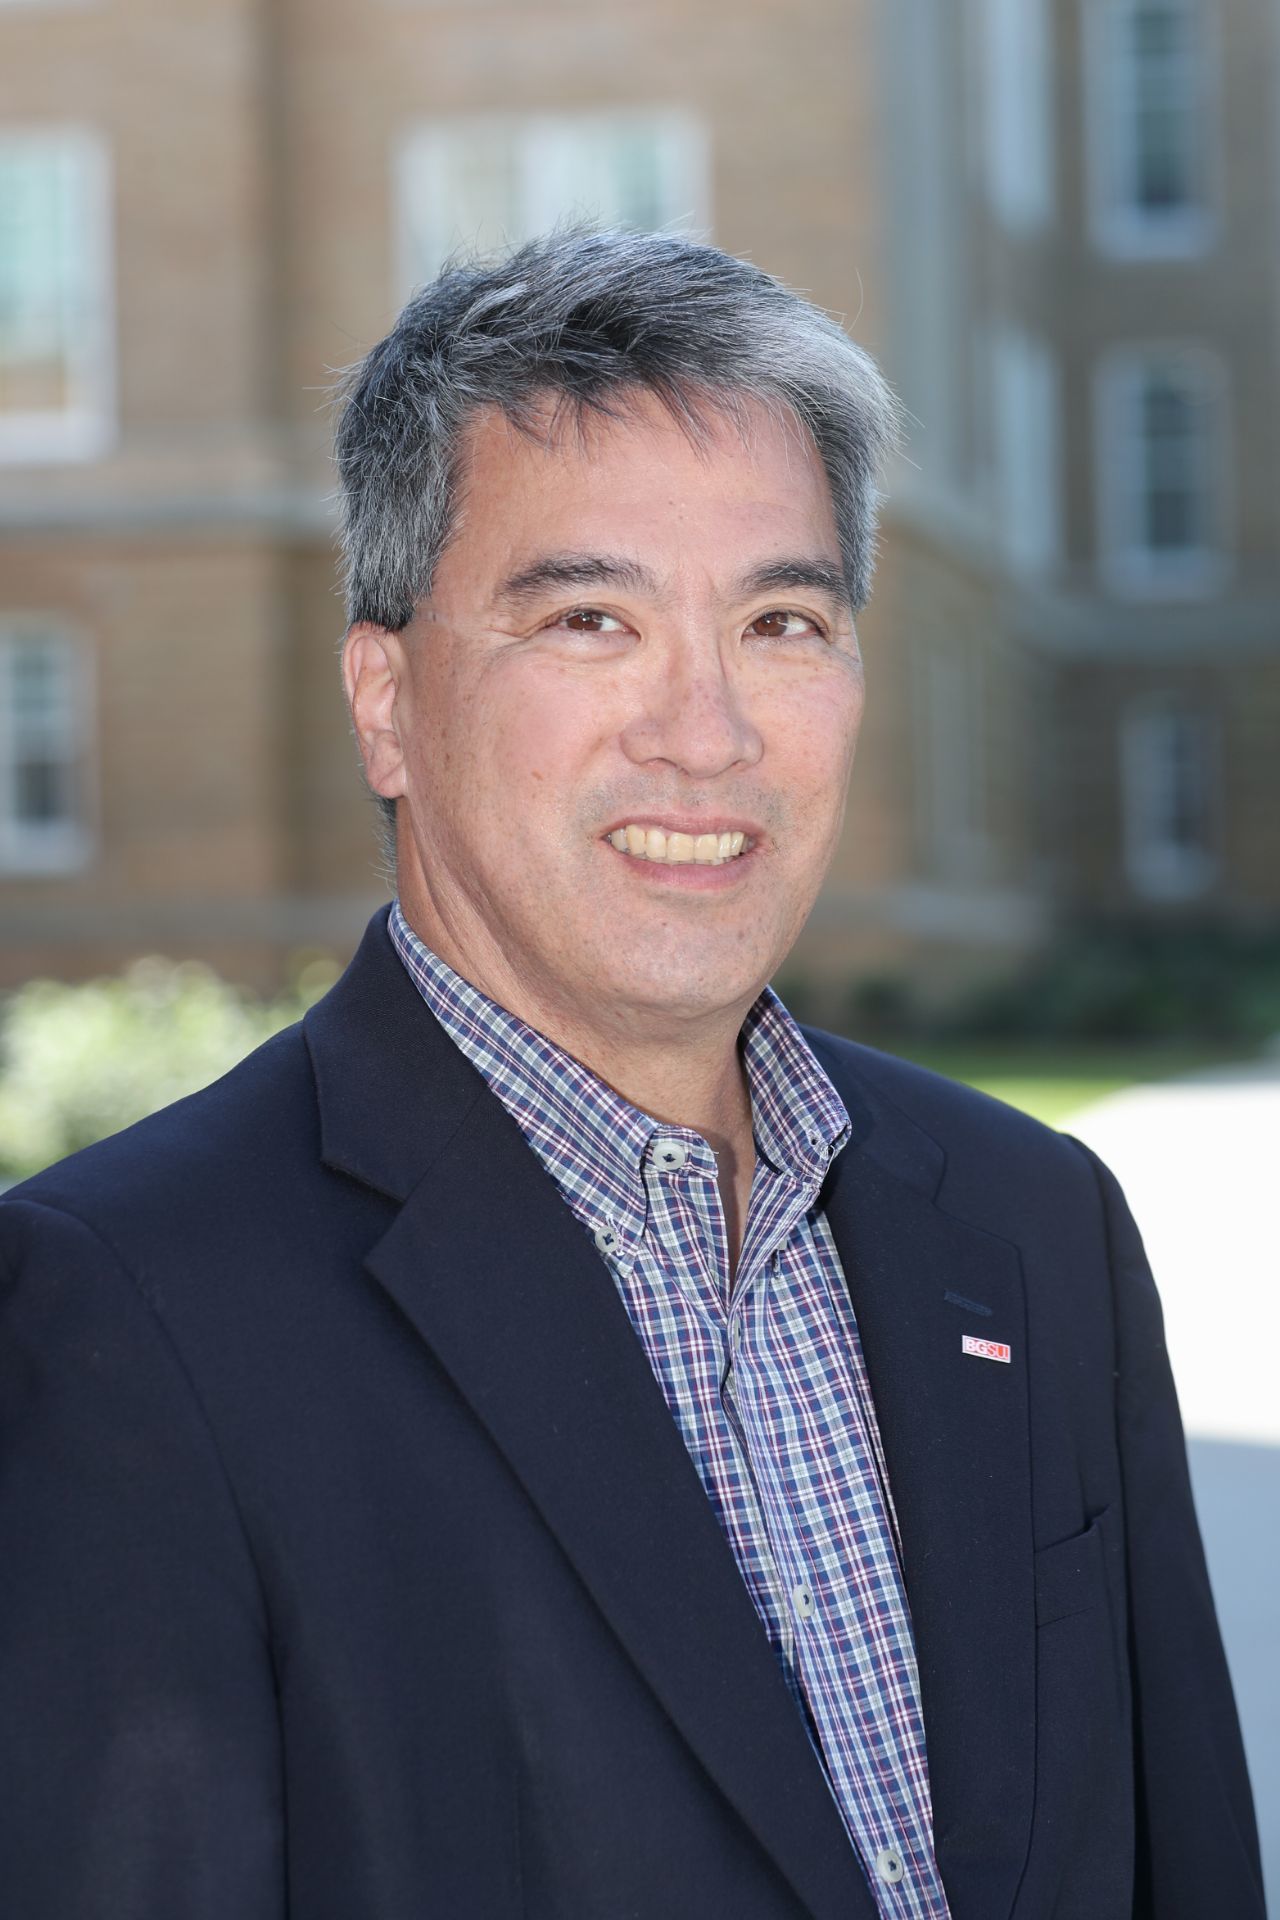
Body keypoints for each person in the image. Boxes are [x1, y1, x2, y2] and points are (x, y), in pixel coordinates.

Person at [0, 227, 1263, 1920]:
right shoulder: (129, 1317)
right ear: (386, 702)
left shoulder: (1038, 1228)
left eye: (782, 621)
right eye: (590, 619)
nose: (707, 732)